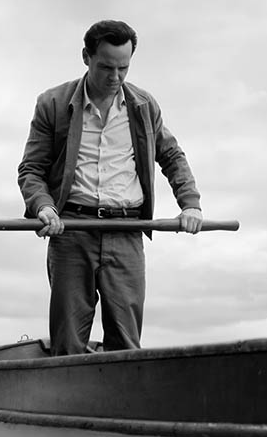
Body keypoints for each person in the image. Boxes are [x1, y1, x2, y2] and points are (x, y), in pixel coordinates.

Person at [17, 20, 203, 357]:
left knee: (126, 344)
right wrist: (43, 207)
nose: (115, 77)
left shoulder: (144, 105)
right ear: (86, 57)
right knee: (68, 343)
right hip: (71, 230)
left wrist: (190, 204)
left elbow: (172, 156)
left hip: (126, 229)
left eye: (123, 68)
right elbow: (32, 169)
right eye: (106, 67)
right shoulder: (52, 103)